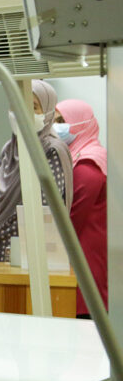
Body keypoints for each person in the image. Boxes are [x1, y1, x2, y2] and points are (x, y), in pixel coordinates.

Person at [0, 79, 72, 262]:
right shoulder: (9, 149)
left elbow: (42, 210)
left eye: (33, 106)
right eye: (16, 104)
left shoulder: (52, 151)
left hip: (27, 259)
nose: (22, 111)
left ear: (48, 112)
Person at [54, 99, 107, 317]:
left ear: (81, 123)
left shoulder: (88, 164)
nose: (56, 127)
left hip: (84, 263)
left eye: (61, 121)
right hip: (80, 259)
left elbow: (71, 219)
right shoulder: (79, 157)